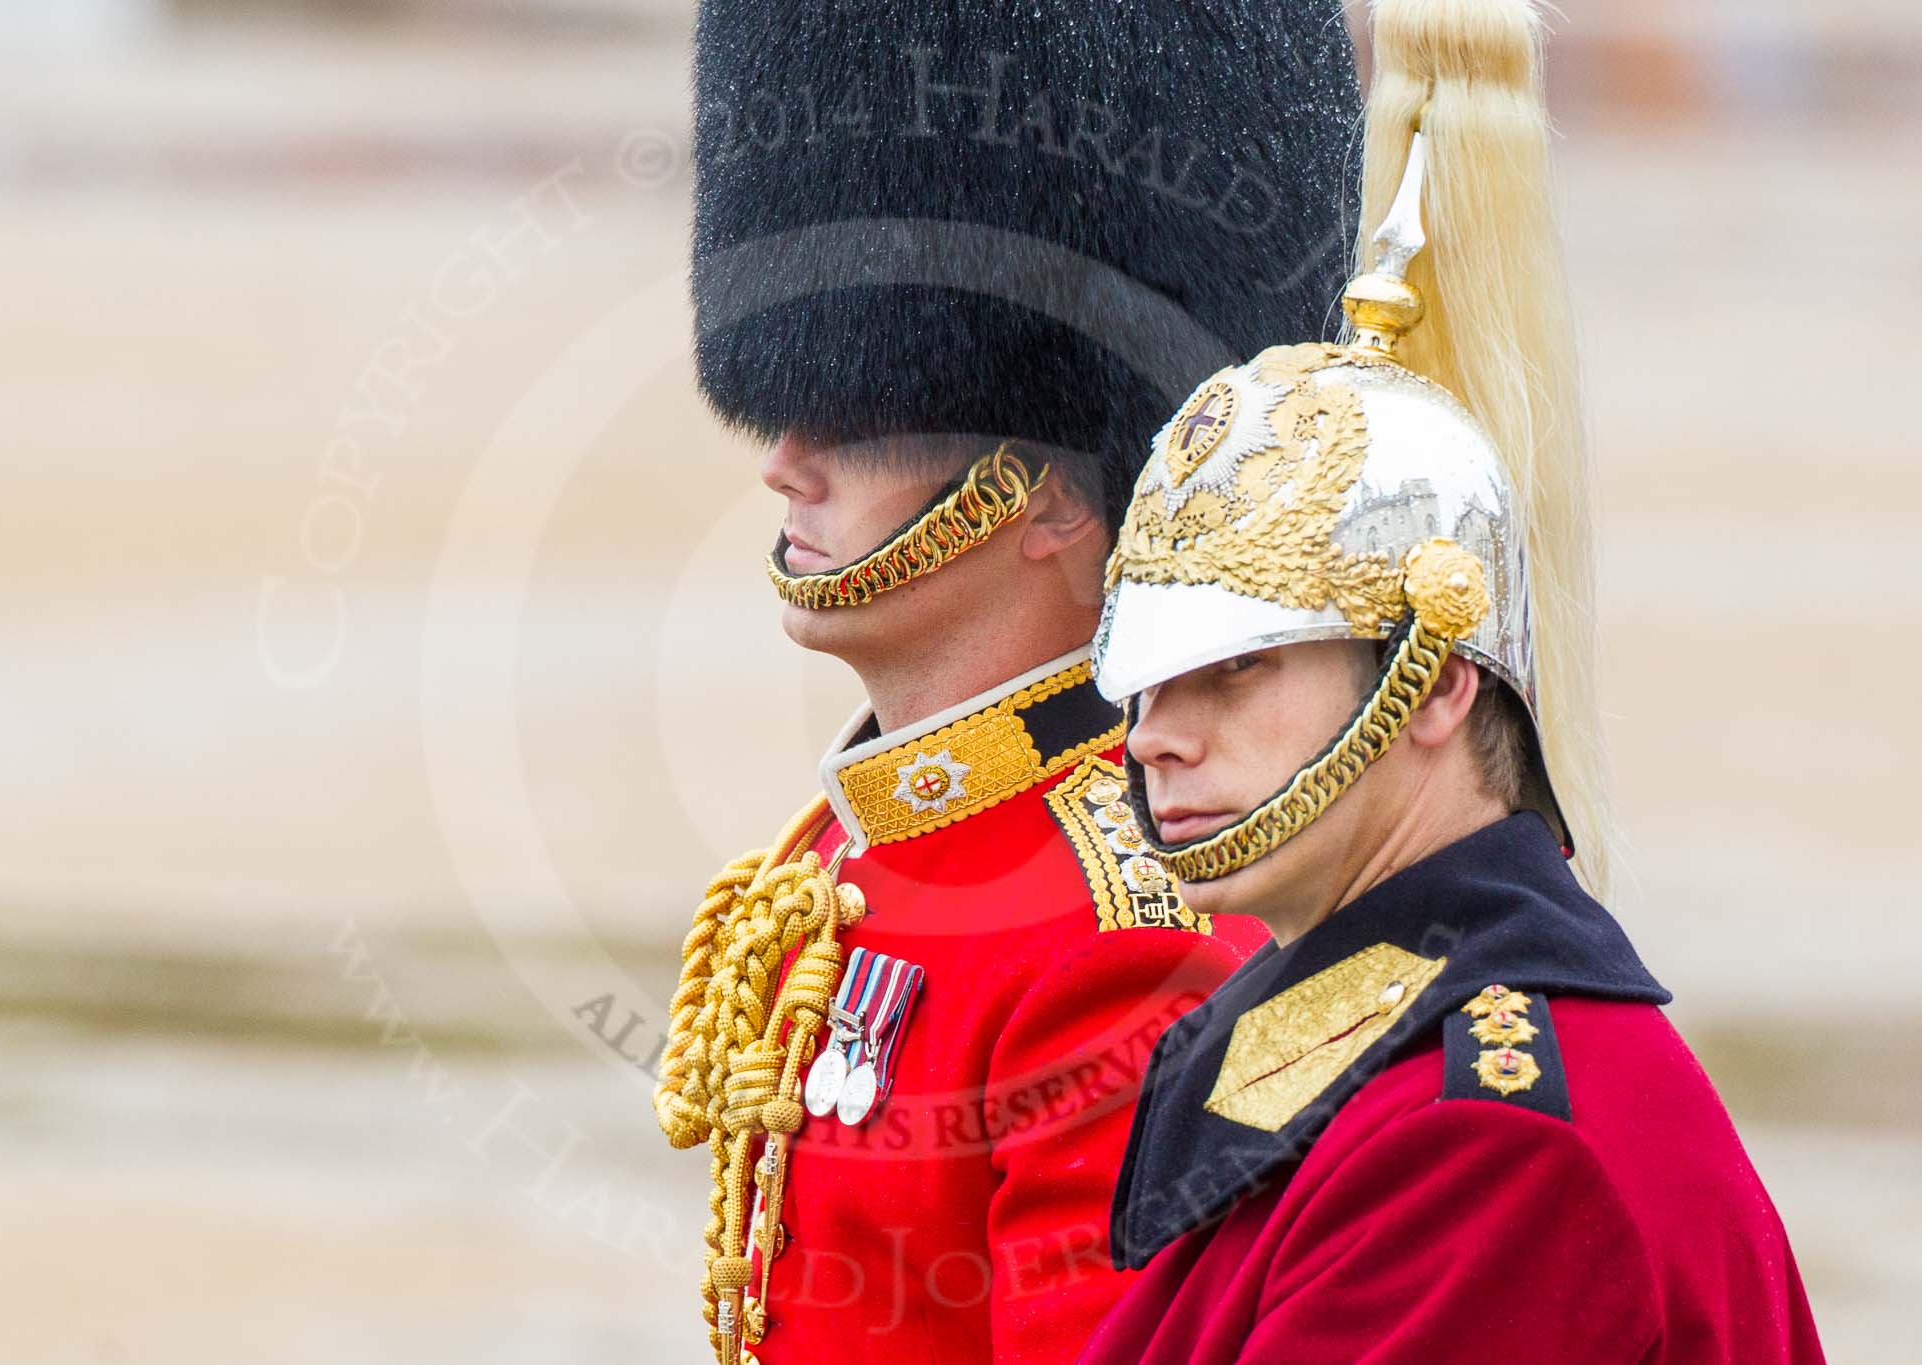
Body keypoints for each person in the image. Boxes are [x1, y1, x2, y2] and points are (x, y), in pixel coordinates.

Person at [1072, 1, 1826, 1360]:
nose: (1156, 739)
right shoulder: (1350, 1050)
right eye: (1146, 679)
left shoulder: (1485, 1146)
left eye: (1232, 668)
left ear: (1432, 684)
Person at [650, 3, 1363, 1362]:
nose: (785, 458)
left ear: (1041, 494)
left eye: (859, 409)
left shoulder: (1122, 941)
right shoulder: (843, 855)